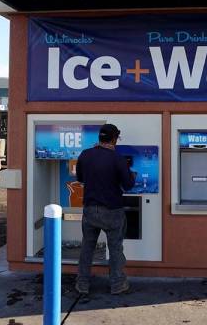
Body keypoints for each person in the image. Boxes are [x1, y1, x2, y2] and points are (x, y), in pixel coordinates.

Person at [75, 124, 136, 295]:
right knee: (115, 248)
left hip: (90, 209)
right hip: (112, 210)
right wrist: (132, 175)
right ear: (114, 139)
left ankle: (82, 284)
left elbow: (80, 178)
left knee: (87, 247)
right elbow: (129, 185)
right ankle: (118, 284)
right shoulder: (117, 159)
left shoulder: (85, 155)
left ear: (100, 138)